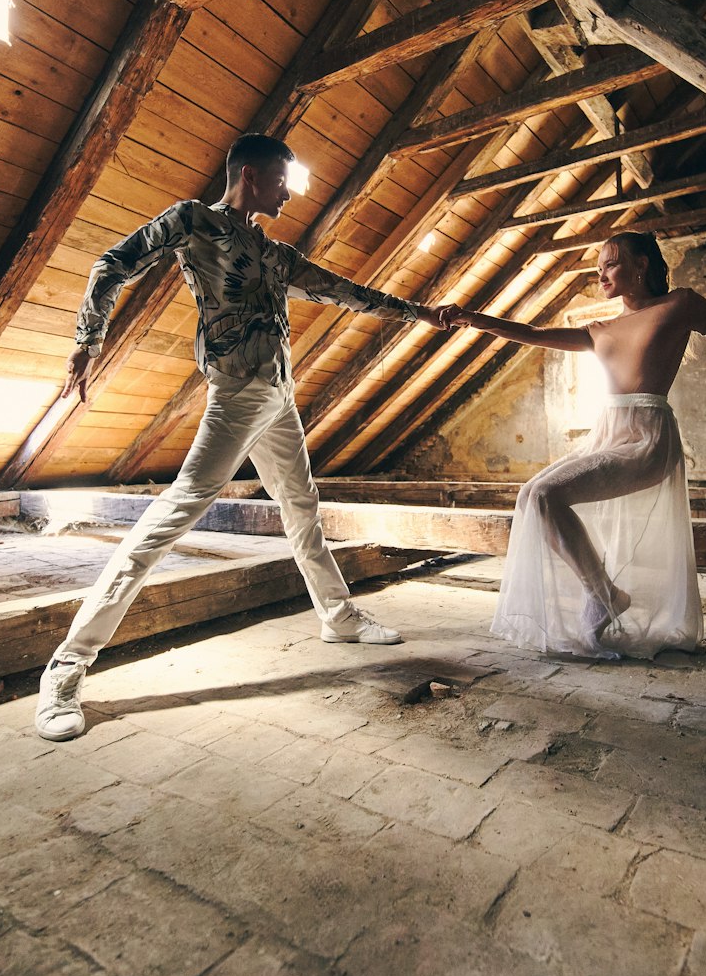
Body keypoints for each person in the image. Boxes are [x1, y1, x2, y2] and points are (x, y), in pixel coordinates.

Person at [36, 133, 446, 741]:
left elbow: (347, 292)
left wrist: (423, 313)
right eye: (283, 180)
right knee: (170, 519)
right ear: (251, 176)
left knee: (302, 507)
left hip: (279, 397)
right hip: (235, 396)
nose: (289, 191)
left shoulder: (272, 252)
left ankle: (338, 617)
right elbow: (109, 265)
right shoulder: (193, 222)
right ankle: (68, 665)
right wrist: (87, 342)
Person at [442, 231, 706, 662]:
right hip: (606, 432)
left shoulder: (680, 305)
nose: (600, 272)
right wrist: (471, 318)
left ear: (641, 266)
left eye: (610, 263)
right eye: (598, 266)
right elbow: (531, 333)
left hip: (647, 438)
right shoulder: (601, 328)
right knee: (532, 495)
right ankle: (606, 593)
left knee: (546, 494)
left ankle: (602, 594)